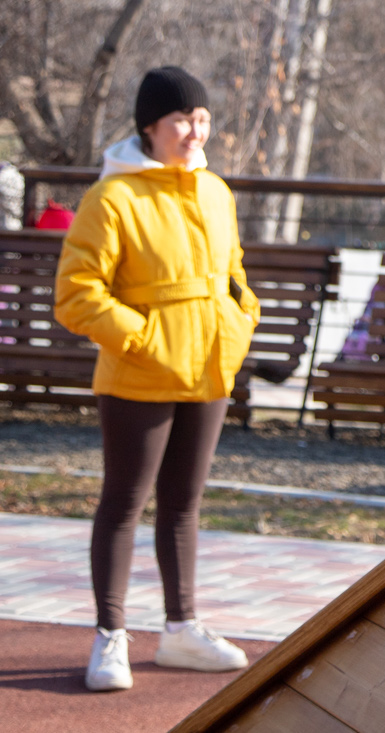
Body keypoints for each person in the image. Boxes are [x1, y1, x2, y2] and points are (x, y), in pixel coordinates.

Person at [54, 67, 260, 691]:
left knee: (183, 507)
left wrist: (241, 316)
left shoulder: (216, 192)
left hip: (209, 369)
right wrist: (140, 338)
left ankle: (181, 630)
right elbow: (75, 294)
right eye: (181, 119)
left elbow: (234, 273)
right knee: (123, 503)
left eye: (201, 118)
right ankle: (110, 636)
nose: (195, 130)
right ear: (150, 126)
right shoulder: (112, 197)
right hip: (138, 372)